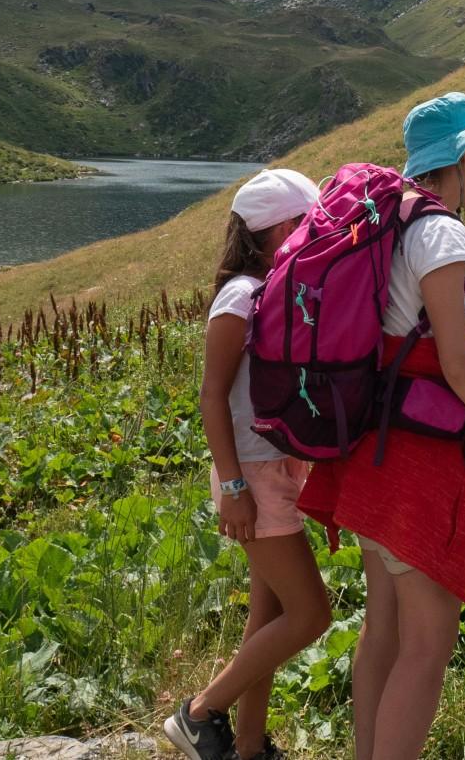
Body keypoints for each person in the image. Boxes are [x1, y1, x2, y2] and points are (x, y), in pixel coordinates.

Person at [297, 92, 465, 760]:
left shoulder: (387, 224)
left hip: (365, 449)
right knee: (428, 645)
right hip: (414, 460)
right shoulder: (442, 231)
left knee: (384, 629)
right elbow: (455, 357)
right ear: (457, 155)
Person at [165, 168, 329, 760]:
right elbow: (211, 396)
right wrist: (233, 487)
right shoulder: (241, 294)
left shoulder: (275, 289)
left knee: (271, 615)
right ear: (280, 228)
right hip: (252, 478)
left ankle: (251, 748)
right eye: (309, 225)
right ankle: (197, 713)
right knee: (312, 614)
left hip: (273, 471)